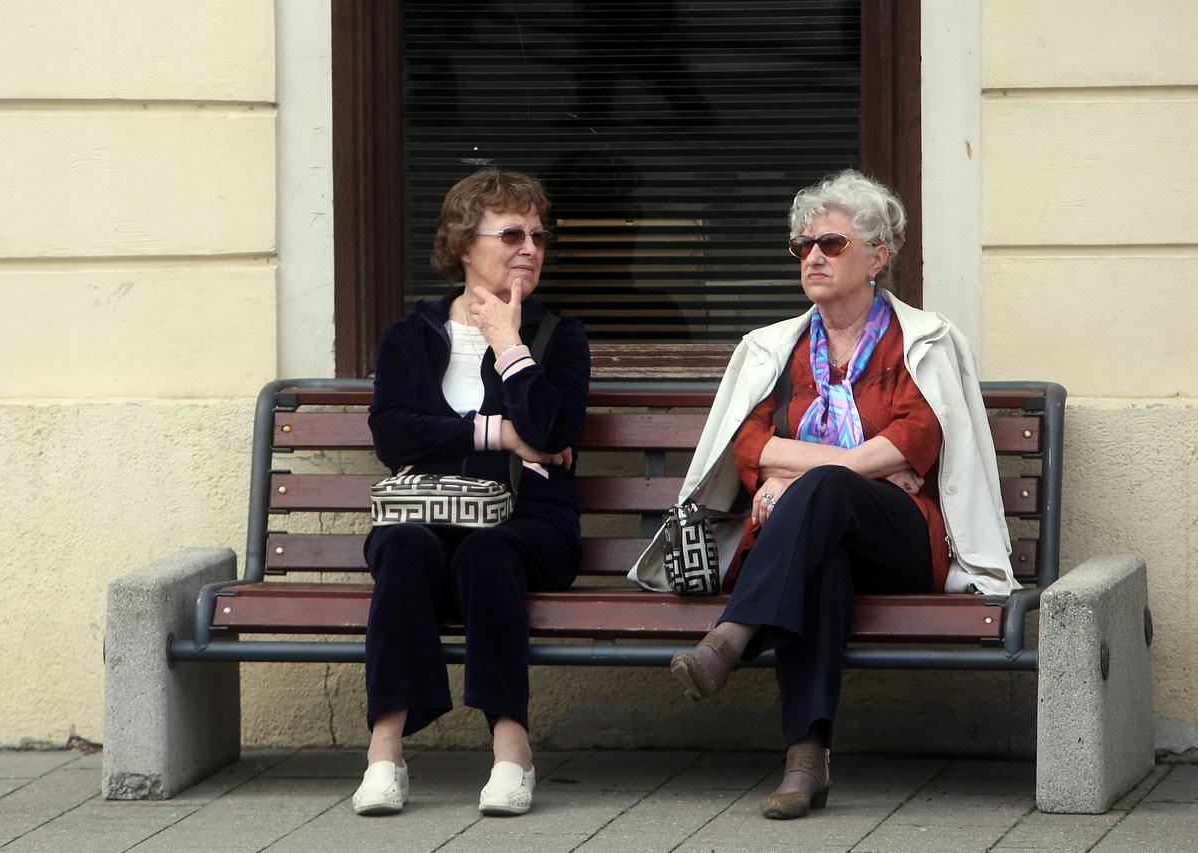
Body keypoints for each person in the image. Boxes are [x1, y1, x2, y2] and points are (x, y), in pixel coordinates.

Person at [630, 170, 1018, 819]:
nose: (812, 255)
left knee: (827, 492)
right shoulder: (775, 348)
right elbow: (749, 444)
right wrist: (845, 465)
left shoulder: (920, 341)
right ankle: (805, 763)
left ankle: (731, 636)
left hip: (900, 541)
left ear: (877, 256)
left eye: (831, 243)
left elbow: (918, 434)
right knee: (822, 558)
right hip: (809, 539)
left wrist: (803, 477)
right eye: (802, 245)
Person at [352, 168, 591, 817]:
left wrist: (508, 345)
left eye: (539, 236)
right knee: (401, 548)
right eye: (512, 233)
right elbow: (394, 434)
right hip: (427, 516)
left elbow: (554, 426)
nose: (530, 249)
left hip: (531, 522)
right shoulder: (410, 335)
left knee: (487, 553)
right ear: (464, 243)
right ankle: (385, 754)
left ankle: (512, 752)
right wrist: (500, 433)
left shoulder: (555, 336)